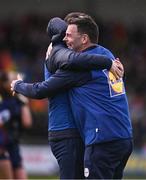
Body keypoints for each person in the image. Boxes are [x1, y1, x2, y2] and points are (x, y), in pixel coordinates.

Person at [11, 14, 130, 179]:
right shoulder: (107, 54)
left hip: (99, 138)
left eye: (69, 35)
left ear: (84, 39)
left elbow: (41, 90)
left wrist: (17, 85)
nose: (65, 39)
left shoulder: (75, 65)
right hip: (124, 137)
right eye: (64, 34)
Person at [0, 71, 32, 179]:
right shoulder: (3, 103)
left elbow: (27, 122)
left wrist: (22, 98)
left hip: (13, 146)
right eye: (12, 78)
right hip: (2, 148)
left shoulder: (17, 102)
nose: (16, 80)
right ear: (4, 84)